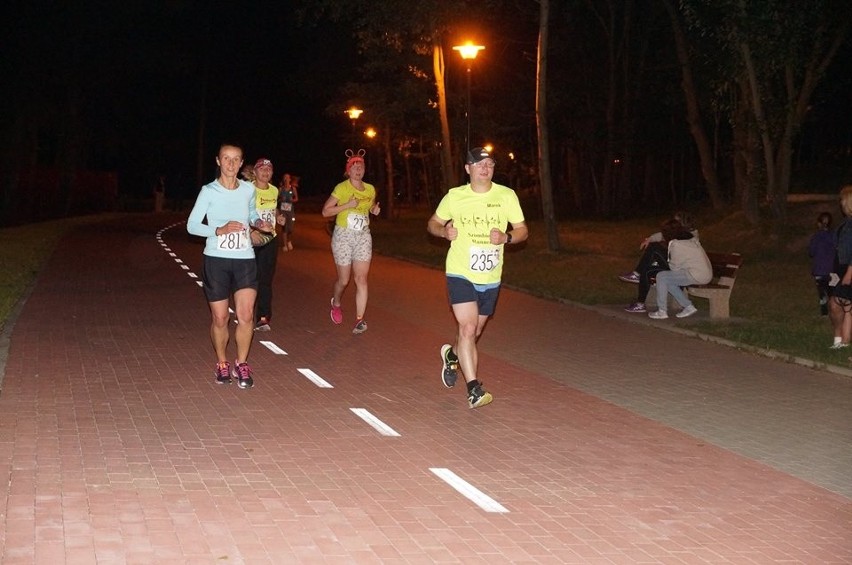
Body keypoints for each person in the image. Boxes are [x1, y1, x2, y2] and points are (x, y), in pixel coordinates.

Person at [427, 147, 528, 409]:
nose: (485, 168)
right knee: (468, 329)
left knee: (474, 333)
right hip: (460, 271)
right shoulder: (455, 196)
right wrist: (443, 232)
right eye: (479, 163)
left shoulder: (506, 196)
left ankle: (452, 354)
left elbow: (522, 231)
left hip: (491, 276)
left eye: (490, 164)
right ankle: (474, 389)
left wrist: (506, 237)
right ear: (467, 169)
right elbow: (433, 223)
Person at [186, 143, 272, 389]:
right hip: (216, 260)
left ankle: (242, 363)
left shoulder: (248, 190)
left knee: (246, 315)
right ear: (218, 161)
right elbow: (192, 226)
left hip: (244, 259)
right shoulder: (209, 191)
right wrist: (219, 230)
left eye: (236, 159)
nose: (231, 164)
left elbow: (252, 213)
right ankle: (222, 362)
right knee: (221, 318)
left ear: (241, 162)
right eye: (227, 159)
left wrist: (258, 223)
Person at [322, 149, 381, 334]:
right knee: (344, 280)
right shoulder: (342, 188)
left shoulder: (370, 189)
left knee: (361, 278)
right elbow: (325, 211)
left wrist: (373, 210)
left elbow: (369, 205)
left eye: (361, 166)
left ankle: (359, 320)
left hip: (363, 235)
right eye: (354, 167)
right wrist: (347, 205)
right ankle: (336, 302)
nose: (358, 170)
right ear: (348, 170)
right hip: (343, 235)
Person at [622, 211, 697, 313]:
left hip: (680, 269)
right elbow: (663, 235)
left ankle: (637, 273)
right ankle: (640, 303)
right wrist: (650, 239)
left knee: (654, 247)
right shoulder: (680, 233)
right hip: (674, 264)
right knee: (647, 271)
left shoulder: (690, 237)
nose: (672, 224)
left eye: (675, 222)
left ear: (682, 223)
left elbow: (677, 257)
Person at [647, 219, 712, 320]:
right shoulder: (690, 238)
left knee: (661, 276)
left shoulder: (676, 245)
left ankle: (662, 311)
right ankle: (688, 306)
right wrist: (651, 238)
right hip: (704, 273)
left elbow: (674, 268)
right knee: (667, 281)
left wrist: (668, 258)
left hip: (697, 275)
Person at [251, 158, 279, 331]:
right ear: (255, 172)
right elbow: (241, 211)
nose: (265, 172)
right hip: (251, 239)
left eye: (269, 169)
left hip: (270, 238)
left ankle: (263, 317)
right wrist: (251, 231)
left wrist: (279, 216)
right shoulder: (247, 190)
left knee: (265, 279)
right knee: (248, 279)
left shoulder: (275, 190)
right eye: (262, 169)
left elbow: (273, 208)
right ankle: (245, 311)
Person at [828, 186, 852, 348]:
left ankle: (842, 341)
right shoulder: (845, 225)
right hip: (841, 268)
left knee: (840, 302)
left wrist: (849, 272)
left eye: (842, 199)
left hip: (849, 268)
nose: (840, 203)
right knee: (841, 304)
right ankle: (841, 340)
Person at [808, 212, 835, 316]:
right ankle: (834, 309)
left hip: (819, 270)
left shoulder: (816, 237)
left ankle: (824, 312)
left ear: (819, 223)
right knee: (832, 292)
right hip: (832, 271)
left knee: (822, 292)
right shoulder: (834, 236)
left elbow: (811, 252)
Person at [277, 173, 299, 251]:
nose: (286, 179)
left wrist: (292, 200)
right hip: (283, 211)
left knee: (290, 228)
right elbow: (277, 199)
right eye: (285, 177)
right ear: (283, 179)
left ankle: (289, 241)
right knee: (284, 228)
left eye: (287, 177)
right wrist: (281, 199)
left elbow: (296, 198)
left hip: (290, 211)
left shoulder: (293, 189)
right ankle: (285, 245)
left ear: (290, 179)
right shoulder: (280, 189)